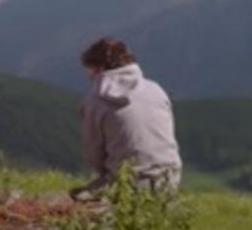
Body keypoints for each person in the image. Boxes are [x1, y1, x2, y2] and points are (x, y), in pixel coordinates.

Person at [71, 37, 182, 200]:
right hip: (170, 179)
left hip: (129, 183)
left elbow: (94, 155)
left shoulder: (94, 102)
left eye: (88, 68)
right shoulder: (156, 89)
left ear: (99, 68)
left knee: (78, 197)